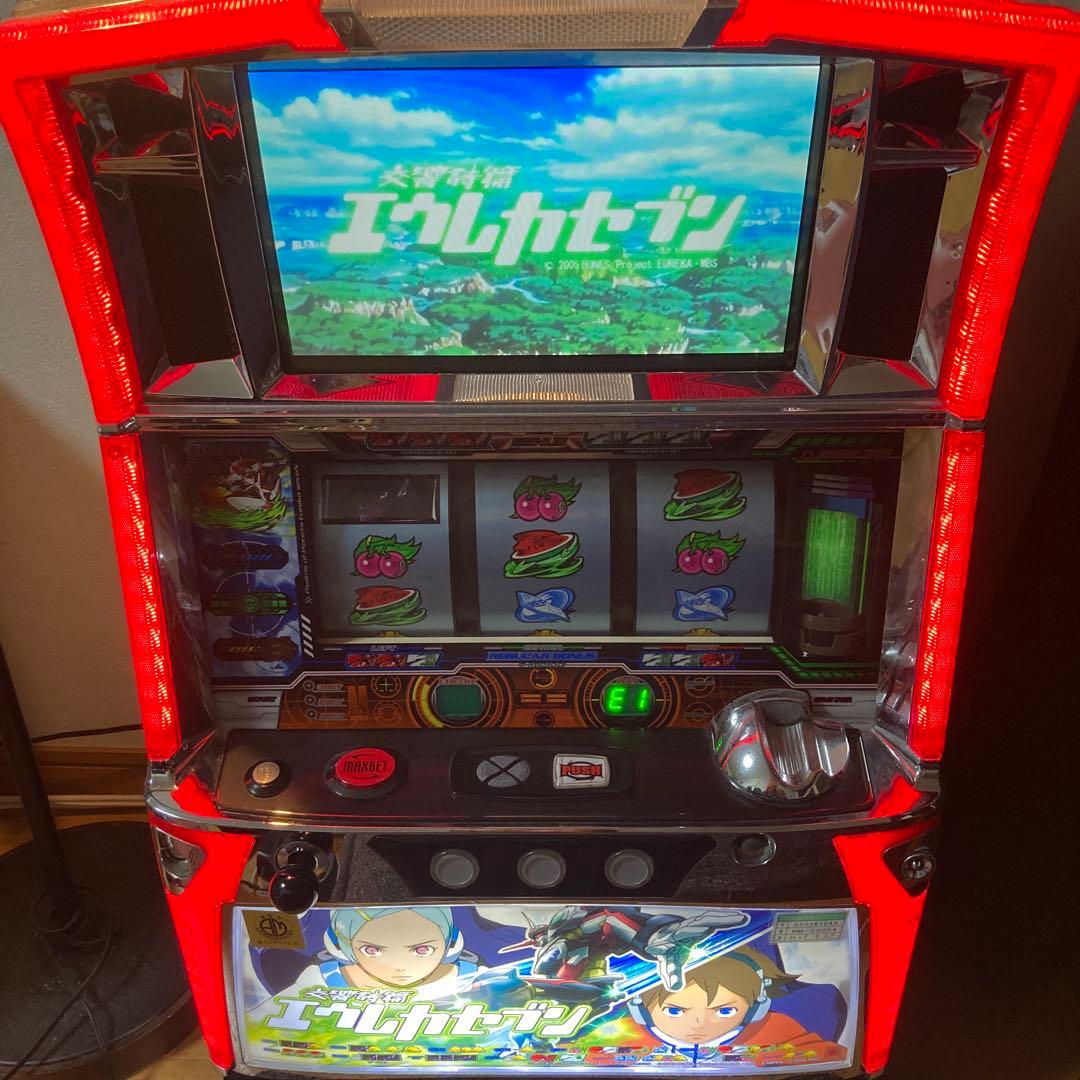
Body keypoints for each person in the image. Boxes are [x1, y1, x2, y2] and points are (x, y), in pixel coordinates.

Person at [629, 947, 846, 1068]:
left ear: (757, 1008)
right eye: (675, 1011)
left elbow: (828, 1054)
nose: (699, 1024)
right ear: (639, 1009)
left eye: (724, 1011)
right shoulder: (622, 1033)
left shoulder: (775, 1027)